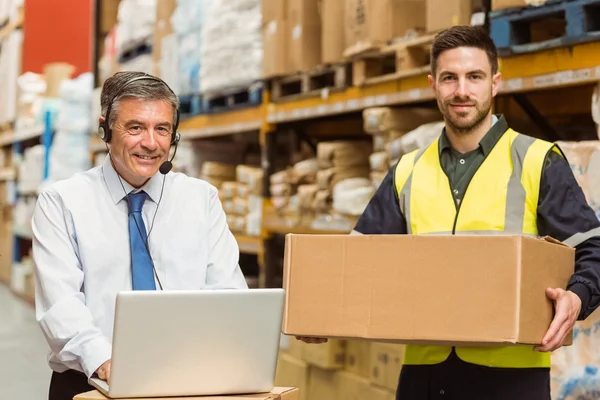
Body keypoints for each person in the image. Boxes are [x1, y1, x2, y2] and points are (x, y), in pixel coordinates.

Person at [299, 26, 600, 399]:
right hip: (424, 377)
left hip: (510, 380)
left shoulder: (537, 161)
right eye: (449, 78)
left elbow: (593, 250)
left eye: (474, 77)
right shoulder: (408, 171)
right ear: (433, 85)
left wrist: (578, 297)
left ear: (495, 83)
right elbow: (358, 265)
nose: (461, 90)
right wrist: (323, 311)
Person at [32, 71, 248, 400]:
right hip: (90, 381)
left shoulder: (200, 199)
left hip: (184, 380)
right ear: (105, 128)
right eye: (135, 127)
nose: (151, 143)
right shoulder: (62, 202)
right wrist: (105, 361)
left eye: (162, 129)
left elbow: (228, 292)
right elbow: (60, 304)